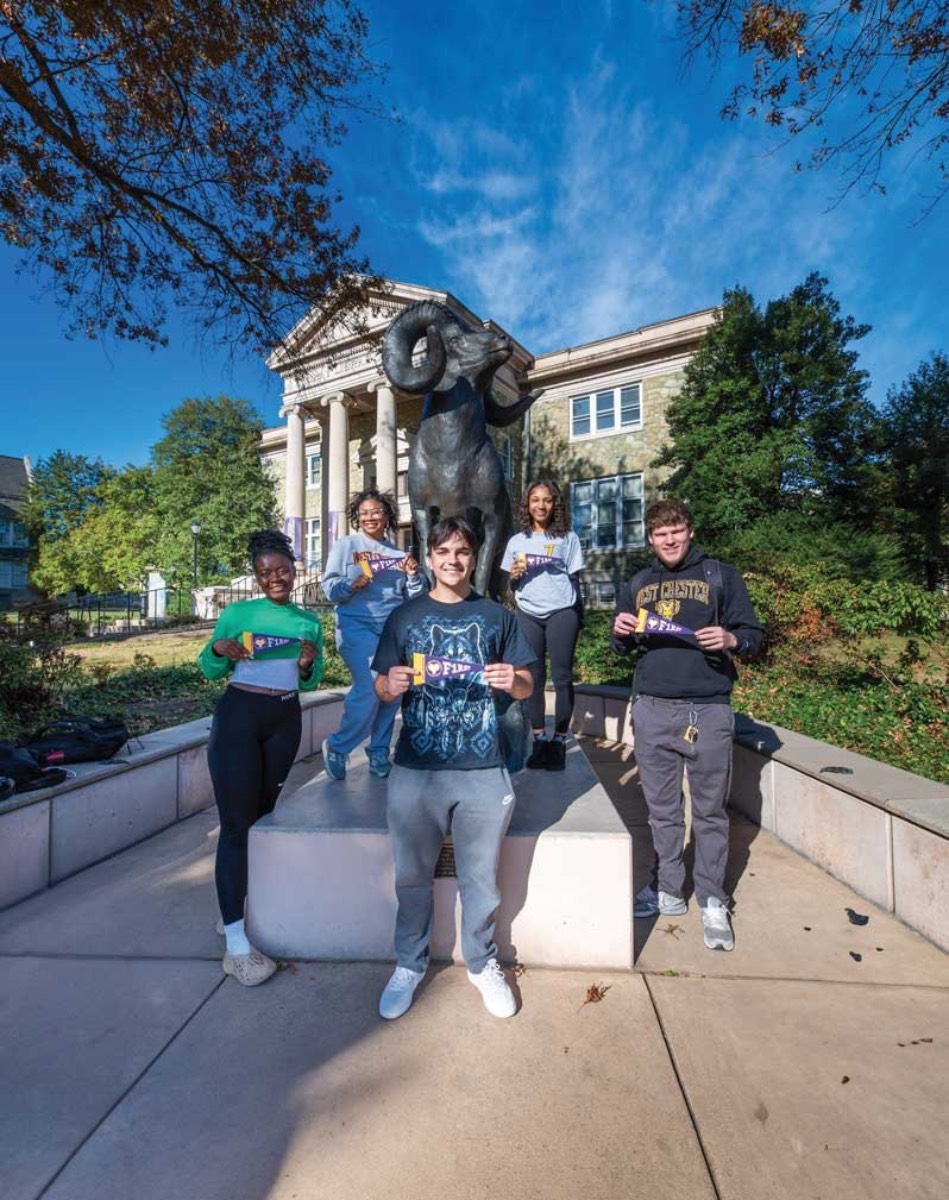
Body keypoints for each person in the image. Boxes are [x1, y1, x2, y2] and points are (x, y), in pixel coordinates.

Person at [370, 516, 536, 1020]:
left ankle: (482, 963)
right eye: (443, 551)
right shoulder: (404, 617)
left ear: (474, 556)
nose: (453, 560)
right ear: (430, 556)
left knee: (481, 880)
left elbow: (528, 684)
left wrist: (515, 681)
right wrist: (390, 686)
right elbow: (379, 687)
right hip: (417, 767)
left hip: (483, 766)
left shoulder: (497, 616)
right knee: (412, 876)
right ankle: (409, 963)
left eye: (462, 551)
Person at [610, 499, 763, 952]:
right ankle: (669, 889)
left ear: (689, 531)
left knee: (711, 812)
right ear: (651, 539)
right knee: (662, 811)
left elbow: (754, 634)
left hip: (707, 710)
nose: (669, 539)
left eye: (675, 530)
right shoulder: (638, 582)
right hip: (652, 708)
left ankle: (714, 898)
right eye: (660, 533)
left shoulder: (720, 576)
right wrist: (619, 634)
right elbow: (623, 648)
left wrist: (733, 638)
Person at [198, 530, 323, 986]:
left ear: (294, 568)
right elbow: (209, 667)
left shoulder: (308, 621)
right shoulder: (236, 614)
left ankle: (239, 904)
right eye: (265, 572)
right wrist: (218, 649)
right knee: (235, 823)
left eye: (282, 570)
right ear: (255, 575)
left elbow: (310, 679)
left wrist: (308, 662)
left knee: (262, 817)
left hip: (285, 719)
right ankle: (235, 944)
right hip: (239, 716)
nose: (275, 578)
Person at [320, 488, 425, 780]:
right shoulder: (346, 545)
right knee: (369, 687)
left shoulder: (399, 554)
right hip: (357, 627)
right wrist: (351, 584)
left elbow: (414, 599)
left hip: (391, 632)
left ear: (387, 516)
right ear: (357, 517)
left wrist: (414, 576)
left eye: (376, 512)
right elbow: (329, 589)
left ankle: (379, 751)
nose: (370, 517)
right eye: (364, 513)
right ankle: (338, 747)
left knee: (392, 691)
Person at [501, 479, 584, 770]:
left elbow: (575, 578)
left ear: (555, 504)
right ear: (527, 504)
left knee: (562, 678)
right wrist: (513, 575)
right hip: (528, 612)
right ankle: (539, 740)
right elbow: (508, 585)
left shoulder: (568, 538)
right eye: (535, 500)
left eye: (547, 500)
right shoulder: (516, 541)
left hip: (563, 611)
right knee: (532, 678)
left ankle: (559, 741)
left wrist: (579, 613)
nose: (541, 505)